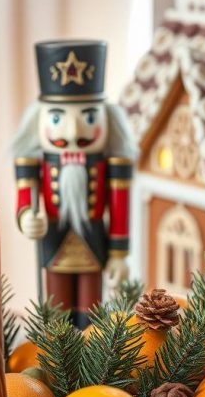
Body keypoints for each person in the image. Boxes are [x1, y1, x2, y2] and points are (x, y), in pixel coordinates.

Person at [11, 40, 136, 328]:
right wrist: (27, 217)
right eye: (57, 117)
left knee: (90, 311)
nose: (73, 131)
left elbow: (119, 210)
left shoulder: (113, 166)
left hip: (94, 245)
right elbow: (25, 196)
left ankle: (91, 350)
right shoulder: (32, 164)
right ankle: (58, 351)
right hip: (54, 243)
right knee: (57, 310)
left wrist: (119, 254)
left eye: (89, 117)